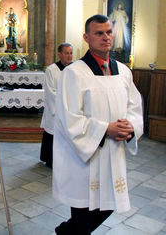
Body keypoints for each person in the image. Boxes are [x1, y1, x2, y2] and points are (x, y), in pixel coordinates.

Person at [53, 14, 143, 234]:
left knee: (109, 204)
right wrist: (106, 129)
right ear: (87, 37)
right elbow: (69, 118)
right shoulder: (74, 73)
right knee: (84, 211)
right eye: (99, 33)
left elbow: (135, 107)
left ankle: (66, 232)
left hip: (113, 153)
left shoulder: (123, 72)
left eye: (109, 32)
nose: (106, 37)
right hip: (86, 157)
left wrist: (130, 127)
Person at [39, 42, 73, 168]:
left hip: (71, 109)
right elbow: (50, 91)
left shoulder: (75, 69)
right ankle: (51, 160)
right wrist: (63, 104)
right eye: (66, 53)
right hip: (56, 109)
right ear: (59, 54)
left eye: (71, 53)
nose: (69, 56)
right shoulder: (51, 70)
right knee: (53, 133)